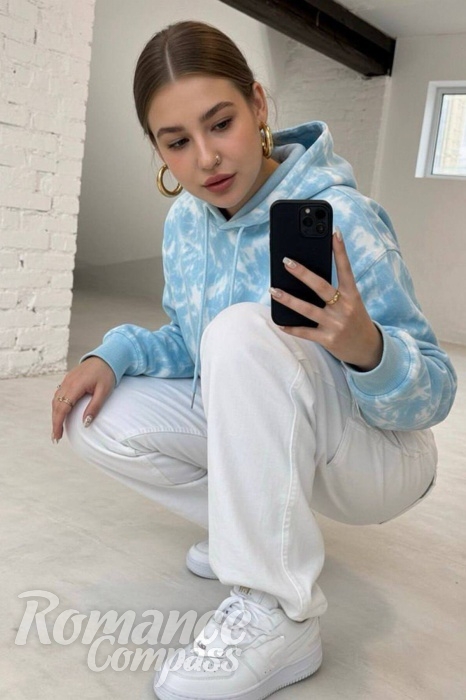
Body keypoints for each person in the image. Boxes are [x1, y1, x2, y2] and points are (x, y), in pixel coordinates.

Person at [51, 20, 457, 700]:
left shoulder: (341, 215)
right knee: (95, 416)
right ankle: (250, 530)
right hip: (279, 426)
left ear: (259, 105)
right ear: (157, 148)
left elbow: (436, 393)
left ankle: (278, 615)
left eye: (221, 123)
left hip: (378, 455)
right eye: (177, 141)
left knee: (244, 330)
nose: (207, 157)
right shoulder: (186, 223)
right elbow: (195, 342)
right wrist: (115, 354)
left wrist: (367, 348)